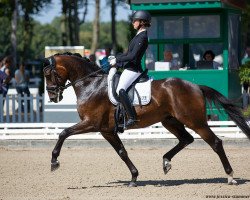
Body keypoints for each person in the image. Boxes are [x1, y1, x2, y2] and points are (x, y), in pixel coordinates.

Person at [108, 10, 151, 127]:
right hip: (129, 67)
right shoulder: (138, 35)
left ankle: (132, 117)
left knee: (120, 89)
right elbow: (128, 54)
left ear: (141, 22)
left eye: (134, 21)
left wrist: (117, 60)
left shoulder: (142, 37)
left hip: (134, 69)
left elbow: (132, 56)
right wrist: (117, 58)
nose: (133, 23)